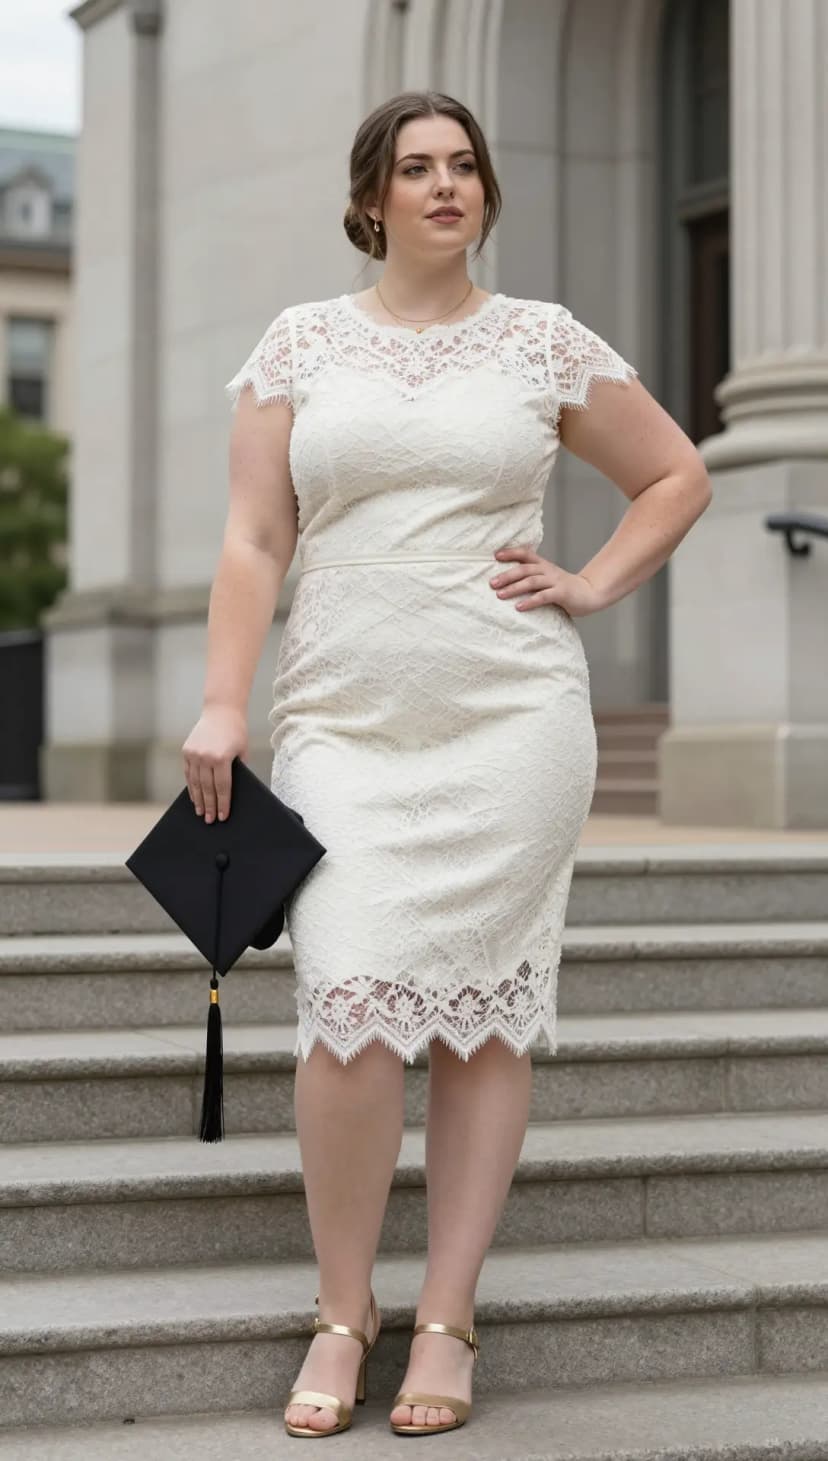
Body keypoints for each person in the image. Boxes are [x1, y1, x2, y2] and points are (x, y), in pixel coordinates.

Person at [182, 89, 712, 1439]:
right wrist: (221, 707)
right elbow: (255, 541)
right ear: (371, 199)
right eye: (414, 168)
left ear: (485, 192)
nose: (442, 186)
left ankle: (449, 1315)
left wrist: (590, 582)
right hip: (344, 721)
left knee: (482, 1020)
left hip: (512, 718)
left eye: (462, 166)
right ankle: (343, 1307)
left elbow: (675, 476)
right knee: (348, 1005)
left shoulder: (544, 344)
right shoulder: (297, 347)